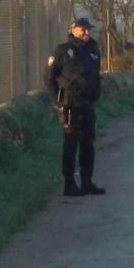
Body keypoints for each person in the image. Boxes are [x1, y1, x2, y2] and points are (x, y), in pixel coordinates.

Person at [44, 17, 105, 197]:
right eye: (83, 29)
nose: (87, 32)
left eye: (88, 29)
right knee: (70, 144)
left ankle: (87, 182)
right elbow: (48, 77)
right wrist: (59, 98)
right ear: (73, 30)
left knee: (88, 143)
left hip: (88, 104)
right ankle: (69, 184)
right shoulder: (63, 51)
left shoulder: (93, 50)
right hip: (70, 104)